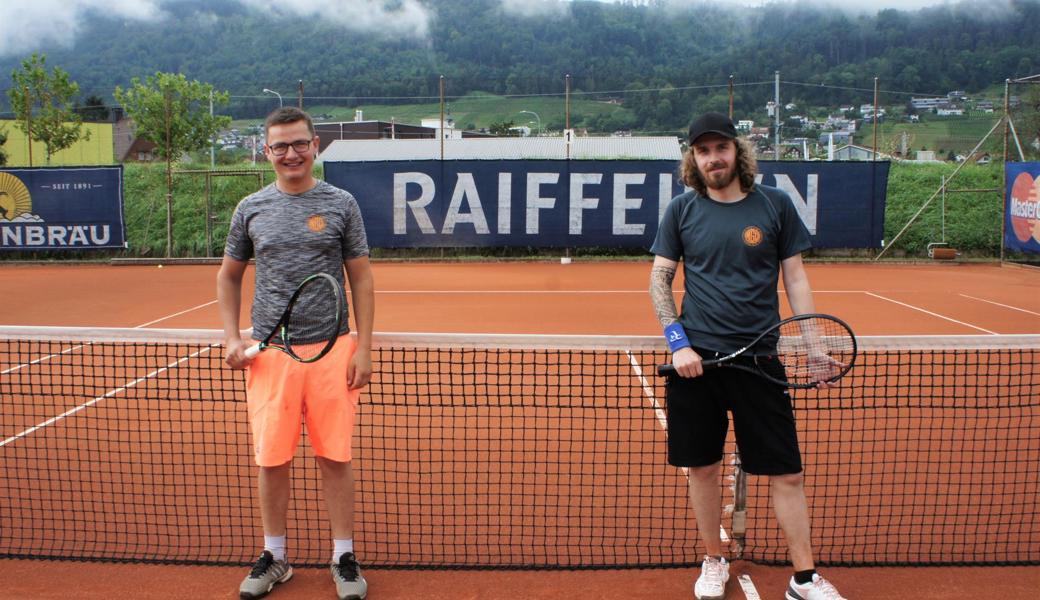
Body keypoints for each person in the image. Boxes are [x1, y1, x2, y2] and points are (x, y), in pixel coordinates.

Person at [648, 112, 847, 600]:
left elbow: (795, 278)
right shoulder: (681, 211)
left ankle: (804, 578)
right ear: (693, 159)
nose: (713, 158)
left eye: (720, 148)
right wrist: (679, 344)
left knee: (788, 472)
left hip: (761, 361)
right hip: (697, 366)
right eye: (703, 150)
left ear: (737, 151)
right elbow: (658, 280)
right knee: (703, 469)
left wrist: (813, 343)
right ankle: (713, 559)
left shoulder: (775, 206)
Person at [217, 106, 375, 600]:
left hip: (332, 350)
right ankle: (275, 557)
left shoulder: (341, 203)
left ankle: (343, 556)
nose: (291, 153)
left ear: (316, 145)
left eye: (299, 143)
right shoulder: (250, 208)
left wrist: (363, 347)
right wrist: (231, 337)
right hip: (270, 354)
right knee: (272, 460)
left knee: (335, 457)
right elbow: (227, 276)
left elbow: (362, 277)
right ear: (267, 152)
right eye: (280, 146)